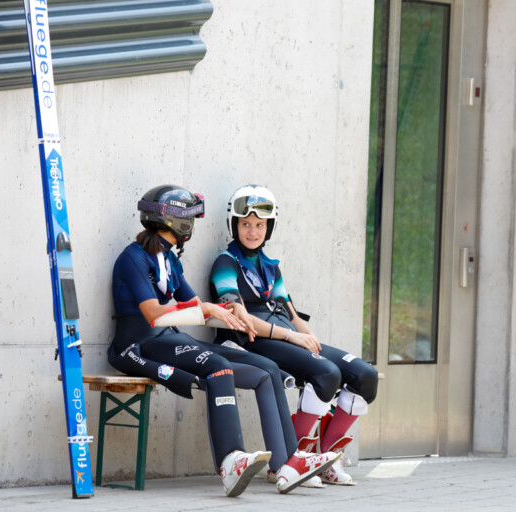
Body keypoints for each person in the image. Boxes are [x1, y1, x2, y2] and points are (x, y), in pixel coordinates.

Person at [108, 184, 338, 497]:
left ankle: (287, 464)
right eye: (191, 219)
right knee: (218, 366)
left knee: (265, 368)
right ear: (178, 222)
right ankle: (231, 462)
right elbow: (153, 314)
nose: (193, 226)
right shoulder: (133, 257)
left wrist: (228, 314)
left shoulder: (169, 260)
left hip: (170, 337)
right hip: (140, 343)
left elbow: (198, 307)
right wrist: (203, 309)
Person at [209, 184, 379, 486]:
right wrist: (291, 338)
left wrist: (310, 339)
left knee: (364, 375)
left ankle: (323, 460)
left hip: (285, 335)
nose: (252, 231)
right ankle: (289, 462)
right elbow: (239, 318)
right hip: (252, 341)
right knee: (326, 374)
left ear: (268, 227)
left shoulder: (270, 267)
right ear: (234, 225)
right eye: (245, 224)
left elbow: (292, 314)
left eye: (259, 225)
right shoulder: (226, 263)